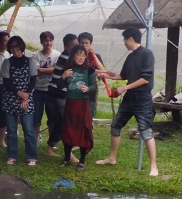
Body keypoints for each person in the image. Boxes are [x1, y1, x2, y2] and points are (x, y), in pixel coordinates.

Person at [96, 28, 159, 177]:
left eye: (125, 39)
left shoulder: (147, 54)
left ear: (130, 38)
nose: (124, 43)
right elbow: (123, 75)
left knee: (145, 130)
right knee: (116, 125)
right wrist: (108, 75)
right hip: (129, 98)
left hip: (142, 98)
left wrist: (124, 88)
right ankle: (112, 158)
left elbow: (146, 78)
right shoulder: (130, 57)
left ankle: (154, 167)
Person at [1, 35, 39, 165]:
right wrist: (19, 94)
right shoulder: (7, 62)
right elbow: (6, 81)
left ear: (21, 46)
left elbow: (33, 80)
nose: (14, 49)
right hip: (10, 99)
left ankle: (32, 156)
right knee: (11, 130)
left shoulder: (30, 61)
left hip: (26, 100)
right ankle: (12, 155)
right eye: (12, 47)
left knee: (28, 129)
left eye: (17, 46)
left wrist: (25, 96)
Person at [59, 45, 96, 169]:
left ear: (86, 56)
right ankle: (66, 158)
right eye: (78, 55)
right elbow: (59, 86)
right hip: (70, 103)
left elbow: (94, 86)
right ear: (73, 55)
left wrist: (88, 89)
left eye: (83, 55)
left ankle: (82, 161)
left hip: (83, 104)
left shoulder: (89, 69)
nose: (80, 58)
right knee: (68, 131)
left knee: (83, 131)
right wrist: (63, 77)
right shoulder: (68, 69)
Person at [45, 33, 77, 158]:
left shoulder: (67, 56)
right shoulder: (66, 58)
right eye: (72, 45)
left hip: (55, 94)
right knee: (65, 124)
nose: (75, 47)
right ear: (66, 46)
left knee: (60, 123)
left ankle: (49, 148)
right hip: (57, 94)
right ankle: (69, 154)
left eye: (76, 45)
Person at [32, 31, 57, 144]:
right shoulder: (35, 55)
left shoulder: (57, 55)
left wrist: (42, 70)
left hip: (52, 90)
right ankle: (35, 139)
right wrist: (51, 70)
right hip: (38, 90)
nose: (48, 43)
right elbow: (35, 71)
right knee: (36, 116)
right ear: (41, 42)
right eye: (46, 41)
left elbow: (58, 71)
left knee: (52, 117)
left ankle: (52, 142)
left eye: (50, 40)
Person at [77, 32, 107, 117]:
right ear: (78, 43)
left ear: (91, 44)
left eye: (87, 43)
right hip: (76, 90)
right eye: (82, 43)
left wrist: (93, 55)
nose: (84, 45)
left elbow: (103, 71)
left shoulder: (95, 56)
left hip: (90, 92)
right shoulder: (75, 56)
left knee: (89, 117)